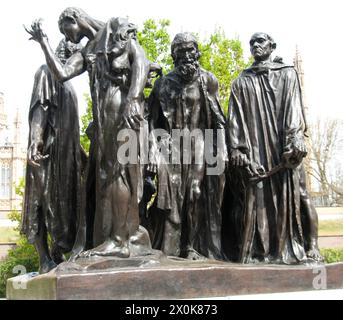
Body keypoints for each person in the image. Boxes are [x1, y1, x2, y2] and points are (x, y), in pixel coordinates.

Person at [26, 8, 154, 259]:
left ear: (75, 20)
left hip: (122, 110)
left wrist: (134, 97)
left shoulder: (116, 26)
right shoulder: (87, 50)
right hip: (104, 117)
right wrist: (44, 43)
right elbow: (61, 74)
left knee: (120, 173)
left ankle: (119, 242)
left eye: (66, 30)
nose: (68, 36)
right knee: (110, 174)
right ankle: (126, 234)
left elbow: (141, 59)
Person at [225, 32, 322, 264]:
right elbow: (235, 119)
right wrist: (238, 149)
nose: (255, 46)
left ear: (272, 46)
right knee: (257, 202)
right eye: (252, 43)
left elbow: (293, 108)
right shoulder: (241, 82)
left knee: (301, 195)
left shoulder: (288, 74)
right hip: (257, 154)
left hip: (285, 151)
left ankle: (311, 246)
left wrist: (295, 140)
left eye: (260, 41)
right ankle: (263, 251)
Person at [146, 33, 226, 260]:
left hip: (199, 141)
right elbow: (150, 120)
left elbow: (218, 118)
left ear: (197, 52)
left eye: (190, 50)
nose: (186, 55)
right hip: (170, 145)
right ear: (174, 55)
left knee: (195, 191)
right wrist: (153, 148)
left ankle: (190, 246)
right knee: (172, 199)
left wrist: (224, 150)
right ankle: (170, 247)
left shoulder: (207, 80)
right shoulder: (163, 84)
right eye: (180, 51)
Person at [21, 38, 83, 274]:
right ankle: (44, 257)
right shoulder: (46, 72)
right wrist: (36, 140)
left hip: (67, 154)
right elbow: (41, 106)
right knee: (40, 200)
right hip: (47, 150)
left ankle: (57, 252)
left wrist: (80, 152)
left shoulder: (69, 86)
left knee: (63, 203)